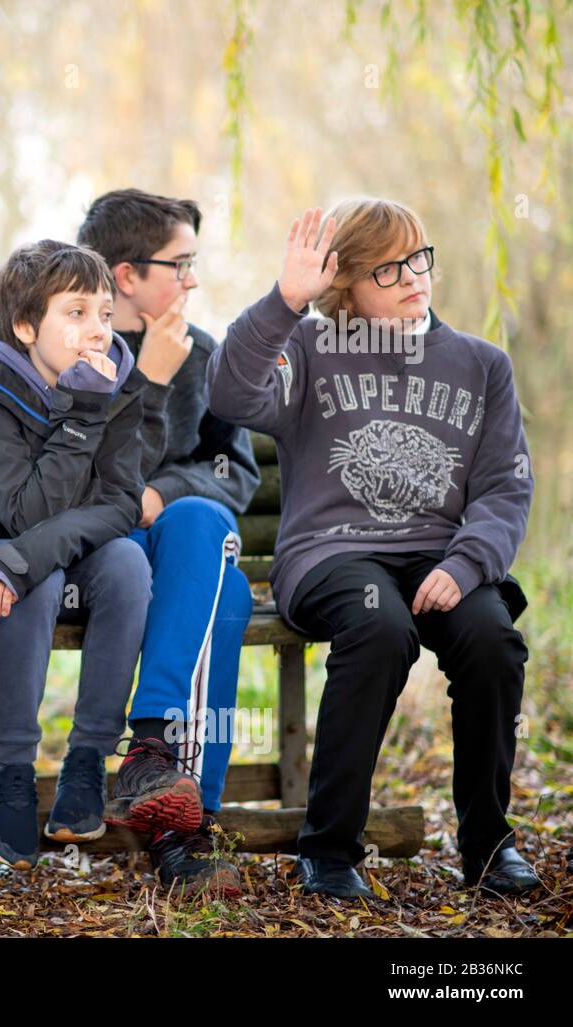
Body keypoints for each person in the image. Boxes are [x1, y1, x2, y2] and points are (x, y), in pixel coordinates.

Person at [206, 201, 538, 899]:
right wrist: (284, 301)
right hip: (331, 554)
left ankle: (487, 844)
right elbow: (232, 393)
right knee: (380, 626)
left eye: (420, 257)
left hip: (440, 557)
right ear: (347, 282)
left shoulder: (482, 366)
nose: (414, 276)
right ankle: (328, 851)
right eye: (389, 268)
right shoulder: (309, 346)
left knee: (491, 639)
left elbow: (505, 490)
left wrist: (466, 562)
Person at [0, 239, 154, 869]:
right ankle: (9, 765)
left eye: (105, 314)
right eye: (76, 313)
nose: (97, 330)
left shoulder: (116, 385)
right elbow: (22, 514)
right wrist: (84, 413)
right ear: (26, 325)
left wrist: (30, 555)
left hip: (46, 554)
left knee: (127, 563)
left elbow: (121, 503)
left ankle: (88, 758)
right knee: (35, 575)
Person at [77, 188, 260, 895]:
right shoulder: (74, 345)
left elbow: (234, 472)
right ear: (126, 274)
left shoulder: (203, 355)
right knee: (224, 587)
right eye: (179, 264)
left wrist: (167, 492)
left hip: (183, 551)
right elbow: (79, 480)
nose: (192, 279)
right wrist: (134, 497)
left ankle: (155, 759)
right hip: (102, 557)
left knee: (203, 530)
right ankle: (188, 831)